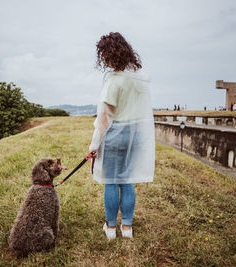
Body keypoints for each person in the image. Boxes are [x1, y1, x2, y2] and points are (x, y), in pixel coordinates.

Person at [89, 32, 155, 240]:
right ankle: (127, 227)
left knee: (111, 181)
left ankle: (110, 228)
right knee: (127, 180)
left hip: (115, 134)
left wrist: (94, 145)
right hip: (135, 135)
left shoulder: (114, 81)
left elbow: (104, 119)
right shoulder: (139, 78)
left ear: (109, 55)